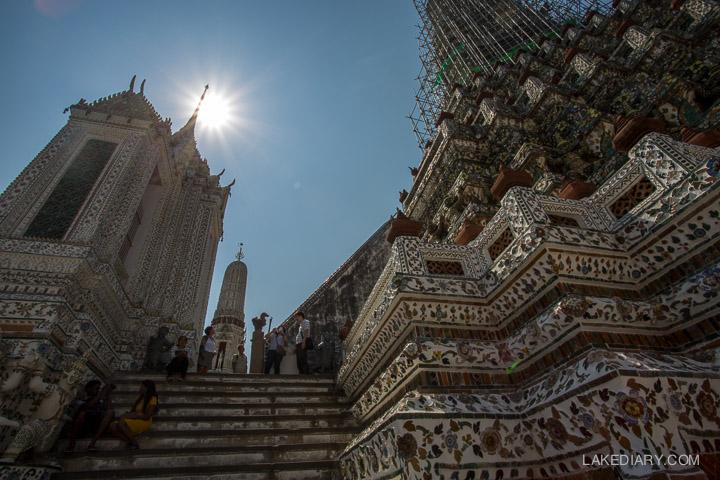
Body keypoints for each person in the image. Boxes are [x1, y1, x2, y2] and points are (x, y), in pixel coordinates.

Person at [65, 380, 115, 452]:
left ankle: (92, 444)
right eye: (96, 388)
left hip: (97, 424)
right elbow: (88, 406)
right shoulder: (82, 398)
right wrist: (100, 394)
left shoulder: (100, 399)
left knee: (110, 412)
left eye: (99, 389)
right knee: (82, 414)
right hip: (83, 424)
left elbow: (110, 408)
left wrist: (108, 394)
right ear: (89, 389)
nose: (98, 390)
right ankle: (71, 444)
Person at [109, 380, 158, 450]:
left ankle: (135, 443)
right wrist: (129, 414)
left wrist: (133, 415)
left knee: (122, 421)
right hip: (135, 418)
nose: (140, 387)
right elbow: (134, 411)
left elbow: (147, 416)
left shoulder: (153, 398)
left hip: (144, 421)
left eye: (142, 386)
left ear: (147, 388)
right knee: (112, 426)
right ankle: (130, 441)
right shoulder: (140, 398)